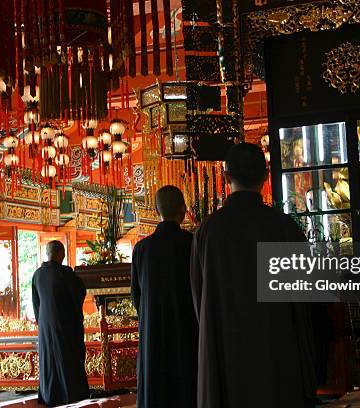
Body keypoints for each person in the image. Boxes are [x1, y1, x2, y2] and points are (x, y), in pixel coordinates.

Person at [190, 142, 317, 408]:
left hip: (224, 353)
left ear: (226, 178)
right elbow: (306, 298)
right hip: (277, 352)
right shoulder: (283, 227)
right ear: (266, 175)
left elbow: (199, 298)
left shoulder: (208, 230)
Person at [131, 185, 198, 408]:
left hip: (153, 329)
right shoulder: (192, 243)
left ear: (156, 211)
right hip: (187, 326)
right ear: (183, 210)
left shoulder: (142, 248)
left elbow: (136, 296)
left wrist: (149, 315)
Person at [32, 241, 89, 406]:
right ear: (60, 254)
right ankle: (71, 396)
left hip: (45, 328)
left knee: (49, 362)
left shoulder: (37, 274)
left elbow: (36, 305)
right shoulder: (65, 273)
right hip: (65, 327)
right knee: (68, 361)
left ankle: (50, 395)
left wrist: (43, 323)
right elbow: (79, 292)